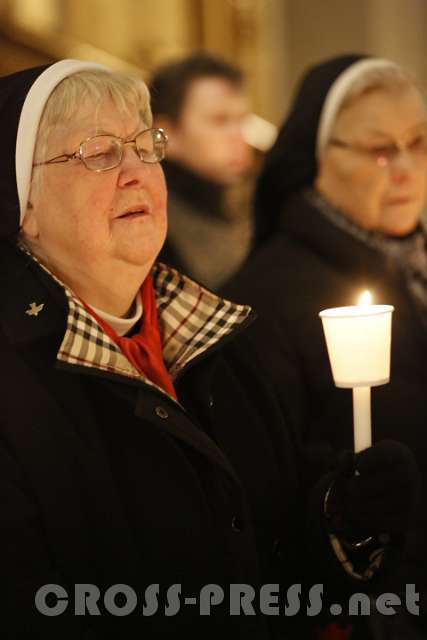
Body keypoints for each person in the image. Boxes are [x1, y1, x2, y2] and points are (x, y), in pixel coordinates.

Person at [0, 59, 418, 639]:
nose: (134, 171)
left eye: (145, 147)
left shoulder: (220, 343)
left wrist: (338, 525)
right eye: (97, 153)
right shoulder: (14, 382)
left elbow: (273, 570)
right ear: (24, 204)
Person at [225, 54, 427, 638]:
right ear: (319, 157)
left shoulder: (413, 262)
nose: (408, 168)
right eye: (381, 150)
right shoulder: (266, 299)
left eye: (418, 141)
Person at [149, 52, 254, 290]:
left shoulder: (252, 204)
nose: (239, 137)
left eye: (242, 121)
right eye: (220, 121)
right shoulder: (152, 224)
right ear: (166, 134)